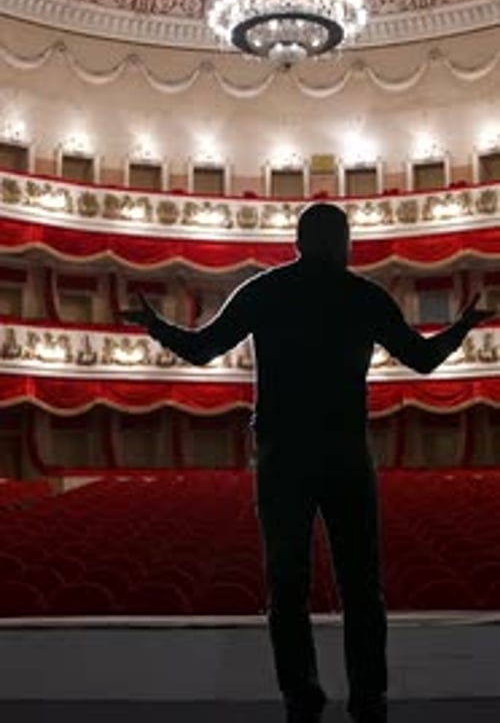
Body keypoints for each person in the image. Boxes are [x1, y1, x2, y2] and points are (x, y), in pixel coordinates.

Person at [120, 202, 493, 723]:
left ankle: (302, 699)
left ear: (297, 242)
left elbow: (204, 350)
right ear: (345, 244)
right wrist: (463, 327)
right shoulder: (365, 296)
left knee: (287, 586)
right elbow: (423, 360)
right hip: (344, 452)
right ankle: (369, 699)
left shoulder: (264, 290)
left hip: (283, 455)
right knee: (362, 587)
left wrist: (155, 325)